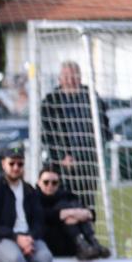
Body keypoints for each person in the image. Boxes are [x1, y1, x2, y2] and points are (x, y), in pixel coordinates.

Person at [41, 60, 111, 210]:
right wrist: (61, 156)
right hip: (63, 164)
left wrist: (97, 151)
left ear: (80, 77)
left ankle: (87, 232)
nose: (70, 79)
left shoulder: (91, 97)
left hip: (88, 161)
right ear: (59, 78)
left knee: (86, 205)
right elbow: (47, 133)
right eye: (66, 75)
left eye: (73, 75)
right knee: (62, 204)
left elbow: (104, 126)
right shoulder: (51, 101)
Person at [36, 164, 110, 260]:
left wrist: (86, 213)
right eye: (46, 182)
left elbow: (90, 212)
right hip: (48, 240)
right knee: (65, 208)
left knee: (73, 205)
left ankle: (91, 243)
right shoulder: (34, 198)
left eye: (54, 182)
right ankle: (86, 244)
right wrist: (68, 213)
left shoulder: (66, 195)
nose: (50, 185)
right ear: (38, 182)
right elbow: (44, 215)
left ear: (59, 183)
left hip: (67, 241)